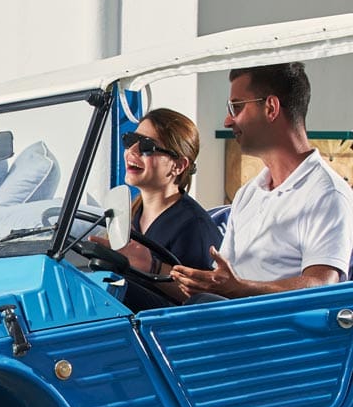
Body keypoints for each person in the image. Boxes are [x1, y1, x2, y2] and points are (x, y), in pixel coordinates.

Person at [171, 63, 353, 298]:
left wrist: (240, 289)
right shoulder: (248, 194)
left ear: (271, 108)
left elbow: (323, 284)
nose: (227, 121)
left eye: (236, 107)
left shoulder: (327, 194)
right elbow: (226, 279)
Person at [106, 108, 221, 311]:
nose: (132, 151)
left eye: (147, 146)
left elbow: (204, 302)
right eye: (130, 140)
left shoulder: (194, 227)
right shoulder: (130, 214)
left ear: (178, 166)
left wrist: (150, 266)